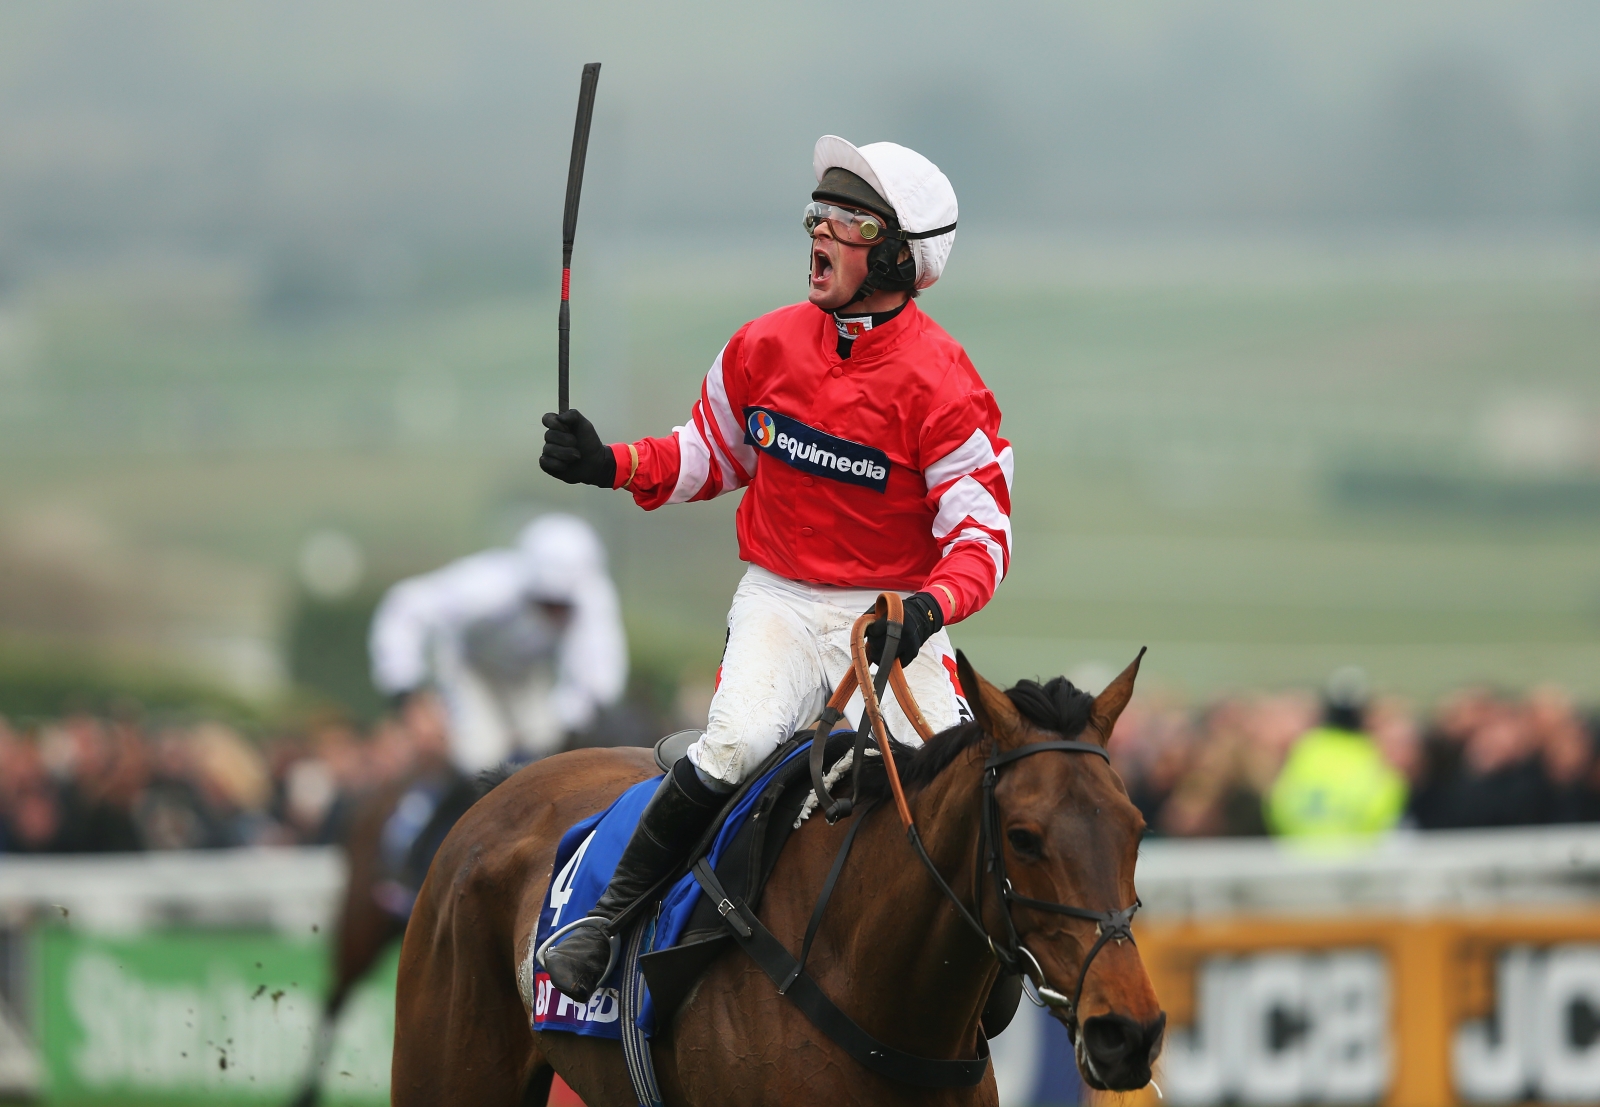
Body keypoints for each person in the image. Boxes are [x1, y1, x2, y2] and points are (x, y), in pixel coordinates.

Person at [538, 136, 1011, 1001]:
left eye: (848, 220)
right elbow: (705, 455)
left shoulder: (947, 386)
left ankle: (979, 965)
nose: (819, 234)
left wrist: (928, 609)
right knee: (738, 742)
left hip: (888, 618)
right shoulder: (762, 345)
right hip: (781, 601)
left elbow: (982, 541)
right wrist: (607, 462)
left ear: (901, 256)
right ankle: (604, 920)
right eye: (815, 214)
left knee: (958, 787)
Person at [366, 513, 627, 915]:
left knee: (545, 757)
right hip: (472, 669)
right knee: (479, 760)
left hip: (528, 678)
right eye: (546, 602)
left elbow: (597, 678)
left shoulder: (592, 596)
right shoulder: (487, 583)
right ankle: (413, 859)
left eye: (563, 605)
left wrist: (560, 726)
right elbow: (404, 609)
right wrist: (409, 696)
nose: (555, 614)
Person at [1264, 667, 1407, 841]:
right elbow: (1388, 800)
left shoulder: (1306, 748)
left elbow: (1278, 802)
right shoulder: (1371, 751)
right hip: (1357, 857)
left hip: (1302, 856)